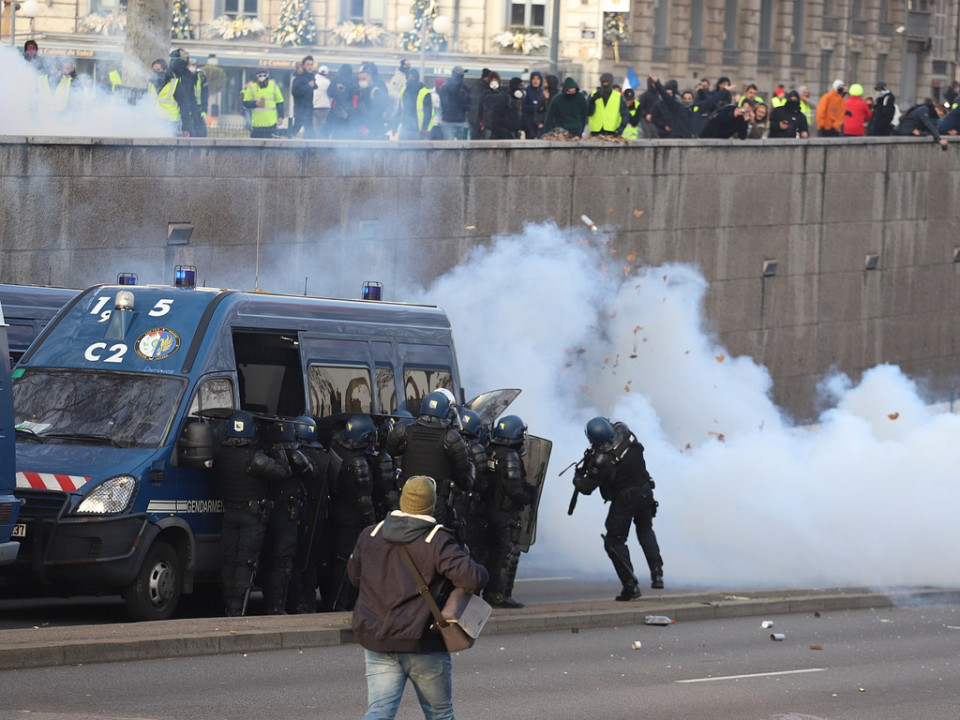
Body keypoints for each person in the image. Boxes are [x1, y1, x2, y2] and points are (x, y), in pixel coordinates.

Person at [348, 475, 489, 720]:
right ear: (431, 506)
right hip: (422, 641)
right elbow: (473, 578)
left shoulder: (371, 534)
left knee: (379, 711)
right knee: (440, 713)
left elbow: (355, 577)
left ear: (402, 501)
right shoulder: (436, 540)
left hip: (377, 636)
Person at [572, 417, 663, 601]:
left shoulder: (602, 460)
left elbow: (586, 488)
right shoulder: (626, 432)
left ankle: (630, 586)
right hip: (645, 492)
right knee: (645, 530)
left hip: (624, 502)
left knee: (614, 542)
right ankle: (657, 573)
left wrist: (577, 477)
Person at [213, 412, 291, 616]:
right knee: (244, 563)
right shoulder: (253, 457)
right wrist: (277, 446)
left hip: (230, 512)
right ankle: (237, 608)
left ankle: (228, 604)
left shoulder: (222, 453)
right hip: (251, 515)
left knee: (229, 560)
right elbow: (283, 472)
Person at [385, 391, 473, 529]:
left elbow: (389, 454)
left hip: (408, 499)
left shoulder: (404, 432)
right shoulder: (451, 438)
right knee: (434, 542)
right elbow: (463, 478)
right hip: (435, 504)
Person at [319, 414, 378, 611]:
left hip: (335, 508)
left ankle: (335, 601)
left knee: (338, 558)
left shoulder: (337, 447)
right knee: (348, 560)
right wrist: (374, 525)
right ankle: (341, 603)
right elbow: (364, 499)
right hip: (351, 515)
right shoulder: (358, 462)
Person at [259, 419, 313, 614]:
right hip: (286, 516)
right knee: (283, 561)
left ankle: (280, 603)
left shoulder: (265, 455)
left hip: (272, 514)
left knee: (276, 560)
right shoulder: (293, 458)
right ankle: (276, 606)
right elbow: (309, 473)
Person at [482, 415, 533, 608]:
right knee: (508, 553)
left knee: (494, 554)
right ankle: (500, 595)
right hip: (504, 512)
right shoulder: (510, 456)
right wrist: (530, 494)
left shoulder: (491, 451)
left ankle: (489, 592)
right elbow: (515, 490)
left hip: (490, 509)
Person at [242, 69, 285, 138]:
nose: (262, 77)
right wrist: (256, 103)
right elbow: (245, 104)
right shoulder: (251, 88)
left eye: (264, 75)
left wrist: (281, 116)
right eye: (260, 75)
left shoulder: (274, 87)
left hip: (271, 125)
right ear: (256, 77)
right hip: (257, 126)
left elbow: (280, 102)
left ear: (268, 77)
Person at [169, 49, 200, 137]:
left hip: (180, 118)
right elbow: (186, 101)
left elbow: (190, 98)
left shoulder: (187, 76)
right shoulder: (178, 76)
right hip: (174, 119)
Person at [396, 67, 432, 140]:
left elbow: (428, 112)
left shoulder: (424, 92)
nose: (408, 78)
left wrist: (424, 128)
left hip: (417, 130)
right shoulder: (404, 91)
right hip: (406, 128)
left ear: (413, 77)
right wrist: (395, 125)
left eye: (410, 76)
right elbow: (400, 110)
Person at [357, 61, 390, 139]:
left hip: (373, 127)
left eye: (364, 78)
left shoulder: (375, 90)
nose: (361, 81)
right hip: (368, 126)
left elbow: (377, 109)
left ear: (370, 76)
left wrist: (368, 126)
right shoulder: (365, 88)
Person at [587, 72, 627, 137]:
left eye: (607, 83)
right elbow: (588, 112)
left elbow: (625, 114)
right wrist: (592, 101)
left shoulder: (617, 96)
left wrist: (621, 129)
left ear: (611, 83)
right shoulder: (593, 95)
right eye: (603, 82)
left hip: (612, 132)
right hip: (596, 132)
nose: (605, 84)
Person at [438, 66, 470, 140]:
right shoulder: (445, 88)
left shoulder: (465, 88)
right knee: (450, 147)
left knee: (466, 144)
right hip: (448, 123)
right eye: (460, 73)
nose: (462, 75)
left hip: (463, 122)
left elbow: (469, 104)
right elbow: (445, 104)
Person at [290, 55, 318, 138]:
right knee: (296, 129)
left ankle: (307, 149)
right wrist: (308, 86)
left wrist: (312, 85)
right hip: (301, 109)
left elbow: (314, 86)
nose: (310, 67)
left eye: (311, 65)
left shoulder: (310, 77)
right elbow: (294, 92)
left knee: (309, 132)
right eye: (308, 64)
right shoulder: (299, 78)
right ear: (303, 66)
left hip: (308, 109)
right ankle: (285, 140)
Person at [467, 68, 492, 139]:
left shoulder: (480, 87)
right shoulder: (479, 88)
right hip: (478, 121)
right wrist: (480, 122)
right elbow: (476, 106)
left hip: (480, 120)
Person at [521, 71, 544, 139]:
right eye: (533, 79)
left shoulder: (542, 92)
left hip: (540, 123)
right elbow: (523, 105)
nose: (535, 81)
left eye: (538, 79)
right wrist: (535, 107)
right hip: (529, 121)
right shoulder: (526, 91)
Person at [312, 64, 332, 138]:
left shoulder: (314, 81)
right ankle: (324, 142)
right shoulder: (327, 82)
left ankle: (317, 142)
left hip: (314, 107)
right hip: (325, 107)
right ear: (326, 74)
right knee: (324, 127)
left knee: (316, 127)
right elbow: (331, 94)